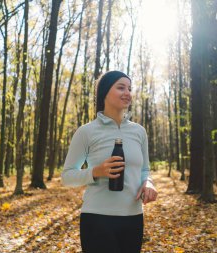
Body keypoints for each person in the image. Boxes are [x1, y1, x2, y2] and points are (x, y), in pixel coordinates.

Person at [61, 70, 157, 253]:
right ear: (104, 92)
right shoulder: (86, 132)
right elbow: (67, 176)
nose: (127, 93)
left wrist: (149, 183)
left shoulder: (139, 132)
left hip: (133, 218)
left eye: (129, 88)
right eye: (121, 87)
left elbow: (145, 169)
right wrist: (95, 172)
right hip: (97, 220)